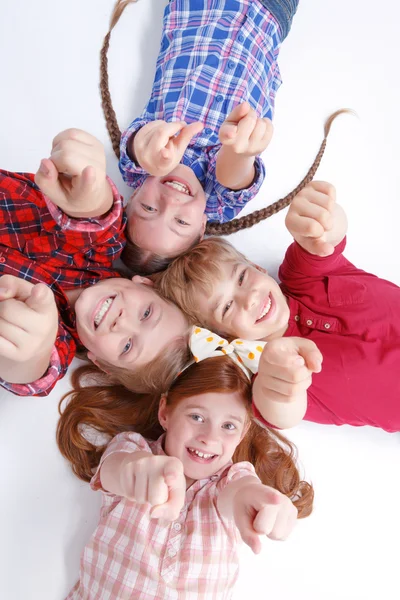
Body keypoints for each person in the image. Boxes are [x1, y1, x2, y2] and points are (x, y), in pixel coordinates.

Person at [57, 355, 313, 599]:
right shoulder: (133, 449)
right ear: (165, 412)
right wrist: (136, 472)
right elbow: (118, 468)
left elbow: (241, 490)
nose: (210, 437)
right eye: (197, 417)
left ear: (244, 432)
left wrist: (257, 497)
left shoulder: (233, 479)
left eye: (228, 426)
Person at [155, 180, 400, 432]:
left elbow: (324, 240)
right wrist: (280, 389)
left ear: (258, 268)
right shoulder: (264, 374)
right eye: (227, 307)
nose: (248, 299)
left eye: (242, 278)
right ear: (223, 336)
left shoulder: (300, 275)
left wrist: (320, 217)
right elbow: (280, 411)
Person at [100, 0, 302, 274]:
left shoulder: (139, 167)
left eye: (148, 208)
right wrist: (239, 153)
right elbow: (235, 180)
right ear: (202, 227)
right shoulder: (216, 203)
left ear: (133, 196)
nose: (169, 202)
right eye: (181, 222)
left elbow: (137, 145)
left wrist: (146, 148)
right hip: (269, 13)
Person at [0, 129, 190, 396]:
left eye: (127, 346)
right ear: (145, 283)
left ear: (101, 364)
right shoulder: (102, 247)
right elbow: (99, 219)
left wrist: (30, 353)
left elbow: (37, 375)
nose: (122, 323)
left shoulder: (57, 341)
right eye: (146, 313)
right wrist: (90, 196)